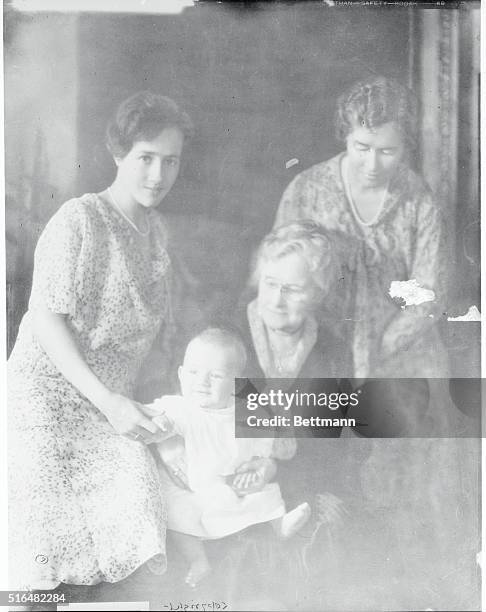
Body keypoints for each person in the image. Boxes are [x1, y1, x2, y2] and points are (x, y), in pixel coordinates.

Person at [7, 91, 194, 592]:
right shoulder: (79, 219)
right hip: (43, 398)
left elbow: (153, 343)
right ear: (118, 155)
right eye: (145, 159)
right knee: (38, 551)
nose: (158, 175)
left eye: (170, 161)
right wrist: (109, 401)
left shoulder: (158, 238)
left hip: (110, 411)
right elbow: (46, 321)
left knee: (140, 513)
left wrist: (164, 414)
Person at [275, 75, 447, 378]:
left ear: (405, 146)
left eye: (387, 152)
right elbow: (276, 274)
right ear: (345, 135)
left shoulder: (420, 200)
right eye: (362, 147)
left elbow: (429, 291)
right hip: (321, 350)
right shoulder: (307, 190)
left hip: (401, 355)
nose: (372, 165)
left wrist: (379, 348)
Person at [148, 328, 311, 588]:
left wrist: (258, 468)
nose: (202, 382)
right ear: (180, 374)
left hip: (231, 483)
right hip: (190, 487)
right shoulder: (180, 408)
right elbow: (152, 419)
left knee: (265, 492)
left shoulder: (248, 413)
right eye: (192, 373)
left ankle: (279, 524)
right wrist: (161, 428)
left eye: (215, 376)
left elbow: (263, 451)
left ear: (237, 383)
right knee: (175, 510)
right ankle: (198, 559)